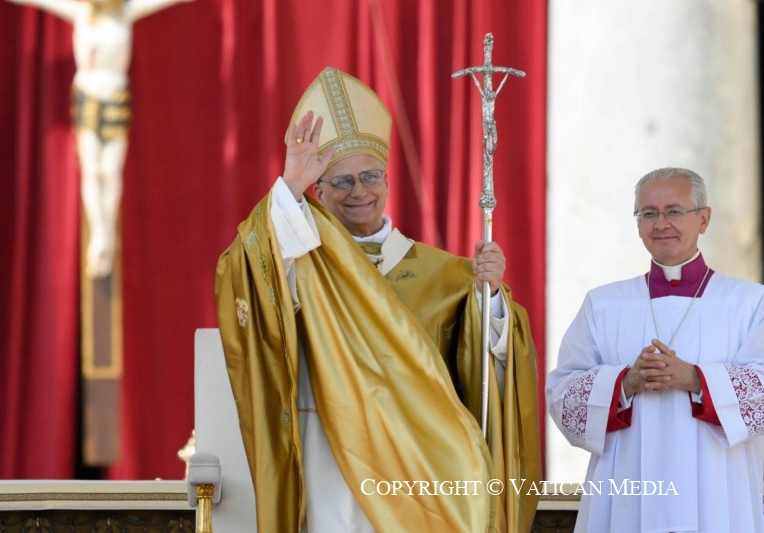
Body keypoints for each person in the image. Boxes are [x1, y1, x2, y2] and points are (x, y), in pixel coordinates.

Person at [215, 67, 541, 532]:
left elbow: (487, 368)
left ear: (387, 182)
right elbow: (251, 274)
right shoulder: (303, 263)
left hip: (417, 461)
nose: (359, 192)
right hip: (328, 449)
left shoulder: (447, 275)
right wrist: (289, 187)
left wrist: (490, 299)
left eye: (370, 176)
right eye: (341, 182)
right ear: (317, 191)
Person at [547, 167, 764, 532]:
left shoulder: (750, 302)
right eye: (649, 213)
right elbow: (562, 396)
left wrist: (695, 378)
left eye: (674, 211)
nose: (661, 224)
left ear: (704, 219)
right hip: (626, 490)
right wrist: (624, 383)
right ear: (638, 224)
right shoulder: (604, 304)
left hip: (718, 489)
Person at [6, 0, 193, 278]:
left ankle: (106, 232)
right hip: (88, 96)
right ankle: (100, 234)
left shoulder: (126, 13)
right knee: (91, 169)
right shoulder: (81, 13)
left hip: (115, 95)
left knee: (110, 169)